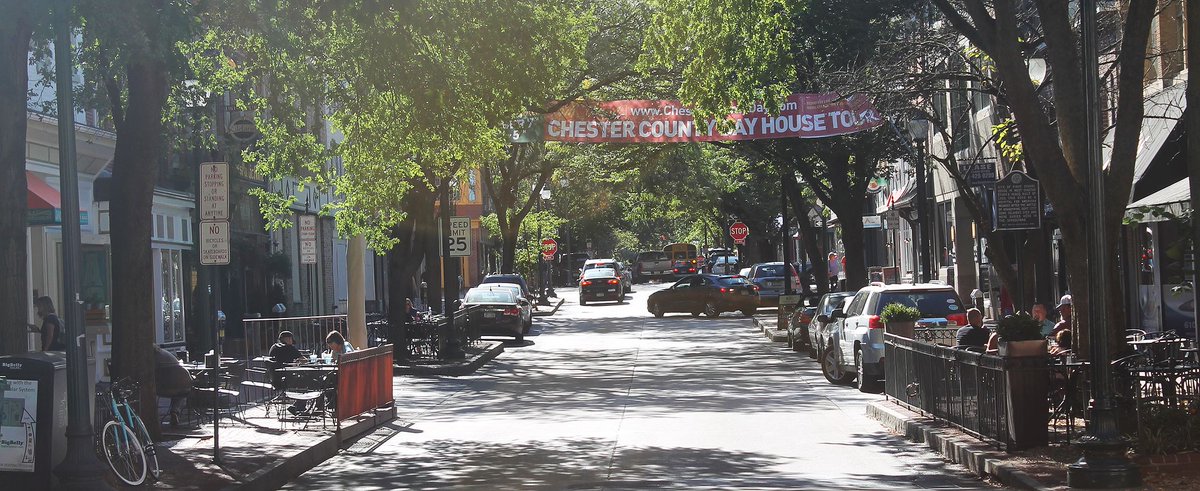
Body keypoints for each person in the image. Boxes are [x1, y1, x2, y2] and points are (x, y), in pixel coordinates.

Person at [154, 345, 193, 426]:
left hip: (163, 388)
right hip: (182, 387)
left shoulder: (151, 356)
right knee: (180, 394)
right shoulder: (164, 353)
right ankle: (175, 411)